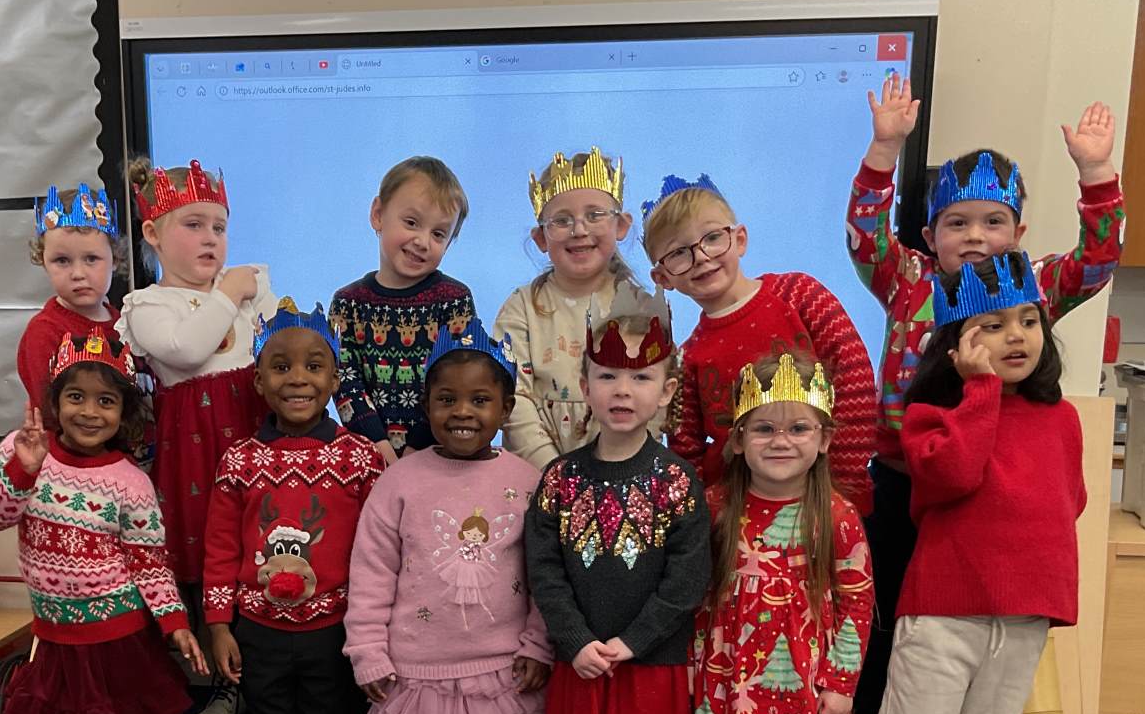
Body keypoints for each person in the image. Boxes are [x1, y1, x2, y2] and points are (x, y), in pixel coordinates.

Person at [847, 79, 1122, 714]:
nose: (975, 236)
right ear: (929, 235)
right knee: (882, 607)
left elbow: (1097, 260)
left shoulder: (1032, 287)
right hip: (900, 480)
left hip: (981, 491)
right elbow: (864, 239)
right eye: (957, 223)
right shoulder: (907, 280)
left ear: (1019, 233)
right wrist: (884, 149)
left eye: (993, 222)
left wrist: (1096, 174)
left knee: (957, 624)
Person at [866, 254, 1084, 714]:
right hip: (944, 613)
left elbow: (1068, 502)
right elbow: (953, 475)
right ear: (956, 344)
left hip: (1023, 617)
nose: (1016, 336)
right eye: (992, 325)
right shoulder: (931, 416)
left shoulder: (1063, 419)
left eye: (1028, 321)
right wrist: (980, 392)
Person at [0, 330, 204, 714]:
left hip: (121, 636)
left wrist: (175, 624)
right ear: (54, 402)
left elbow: (149, 563)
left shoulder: (131, 482)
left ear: (124, 412)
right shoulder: (20, 450)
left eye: (106, 400)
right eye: (75, 396)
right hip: (56, 636)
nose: (89, 411)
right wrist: (24, 468)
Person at [343, 320, 552, 714]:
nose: (463, 412)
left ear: (506, 408)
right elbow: (371, 571)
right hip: (416, 664)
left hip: (502, 663)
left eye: (480, 400)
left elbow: (547, 575)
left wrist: (539, 643)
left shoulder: (528, 481)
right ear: (426, 405)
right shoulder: (399, 481)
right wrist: (368, 651)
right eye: (447, 399)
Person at [202, 302, 385, 714]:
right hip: (260, 631)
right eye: (281, 367)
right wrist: (219, 624)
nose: (298, 378)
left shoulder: (358, 459)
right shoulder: (240, 460)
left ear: (335, 379)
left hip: (336, 631)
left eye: (313, 366)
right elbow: (220, 547)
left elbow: (379, 551)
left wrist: (376, 629)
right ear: (259, 381)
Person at [525, 289, 708, 714]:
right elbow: (543, 570)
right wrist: (575, 641)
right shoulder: (560, 479)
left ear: (667, 392)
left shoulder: (677, 481)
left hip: (650, 663)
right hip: (582, 662)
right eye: (607, 376)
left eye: (641, 378)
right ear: (585, 387)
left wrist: (633, 642)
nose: (622, 391)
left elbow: (687, 580)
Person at [696, 355, 874, 714]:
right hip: (733, 680)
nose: (781, 441)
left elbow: (857, 605)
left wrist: (841, 686)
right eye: (765, 428)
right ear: (738, 438)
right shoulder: (718, 507)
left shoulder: (838, 516)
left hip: (807, 684)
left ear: (824, 439)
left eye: (798, 428)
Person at [117, 156, 275, 714]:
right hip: (195, 458)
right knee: (204, 563)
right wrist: (229, 295)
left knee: (258, 558)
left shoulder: (248, 287)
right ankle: (215, 682)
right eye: (194, 225)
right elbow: (185, 350)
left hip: (255, 447)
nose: (211, 238)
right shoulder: (147, 305)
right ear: (153, 234)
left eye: (219, 226)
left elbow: (278, 349)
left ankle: (259, 680)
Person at [642, 173, 876, 513]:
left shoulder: (800, 295)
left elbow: (854, 380)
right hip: (740, 519)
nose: (702, 256)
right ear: (663, 277)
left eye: (712, 237)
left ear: (739, 239)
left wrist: (838, 485)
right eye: (679, 252)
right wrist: (707, 518)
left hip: (829, 502)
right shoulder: (688, 357)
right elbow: (686, 453)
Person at [493, 146, 662, 464]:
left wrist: (621, 466)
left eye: (595, 215)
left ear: (621, 225)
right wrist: (554, 471)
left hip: (623, 473)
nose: (579, 230)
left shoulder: (641, 309)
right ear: (541, 238)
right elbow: (513, 397)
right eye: (562, 220)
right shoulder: (521, 308)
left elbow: (655, 397)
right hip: (538, 476)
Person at [328, 156, 477, 456]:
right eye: (411, 223)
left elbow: (456, 379)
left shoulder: (454, 301)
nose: (422, 241)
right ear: (378, 215)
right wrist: (378, 446)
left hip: (439, 453)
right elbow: (346, 381)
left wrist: (416, 447)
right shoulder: (348, 304)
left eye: (438, 234)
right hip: (368, 453)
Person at [16, 183, 125, 423]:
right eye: (62, 260)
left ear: (115, 259)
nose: (78, 274)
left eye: (91, 259)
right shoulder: (44, 332)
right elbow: (49, 410)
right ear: (43, 262)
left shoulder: (125, 324)